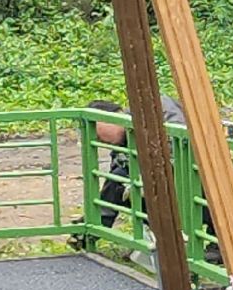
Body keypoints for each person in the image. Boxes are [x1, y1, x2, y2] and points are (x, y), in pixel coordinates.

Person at [85, 96, 221, 265]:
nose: (99, 139)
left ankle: (217, 245)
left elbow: (181, 139)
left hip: (201, 171)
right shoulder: (123, 140)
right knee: (119, 181)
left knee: (206, 191)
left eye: (98, 132)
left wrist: (150, 172)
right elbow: (115, 176)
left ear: (113, 116)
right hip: (165, 182)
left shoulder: (158, 108)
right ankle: (95, 228)